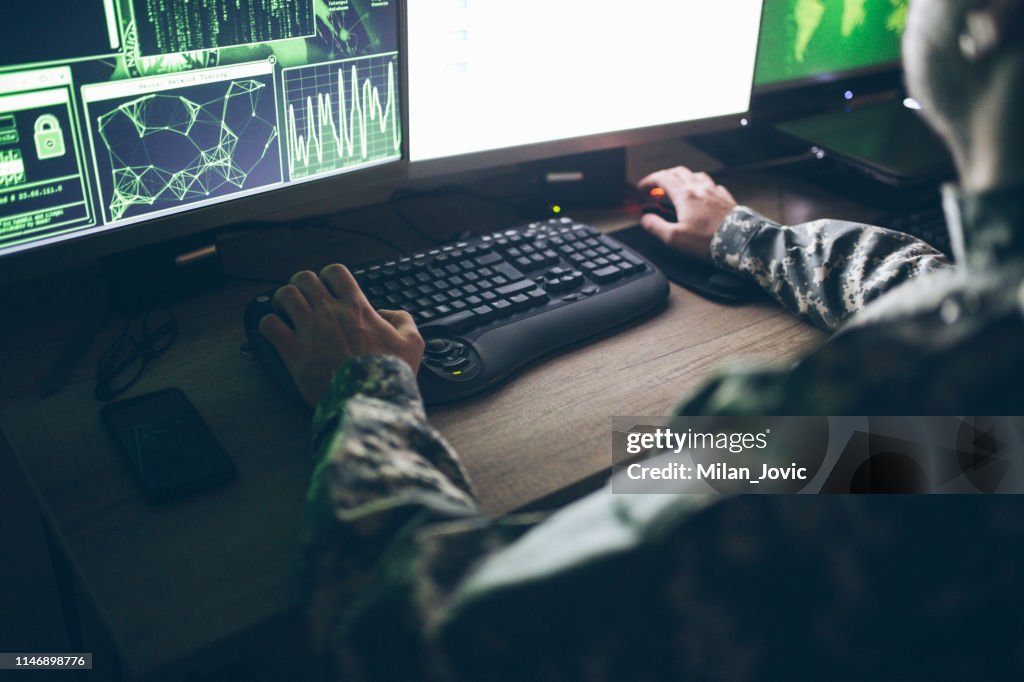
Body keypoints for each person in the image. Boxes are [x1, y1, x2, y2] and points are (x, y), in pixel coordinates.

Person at [259, 0, 1024, 678]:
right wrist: (745, 238)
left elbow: (406, 636)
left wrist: (363, 386)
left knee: (648, 457)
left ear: (982, 25)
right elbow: (953, 305)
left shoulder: (901, 419)